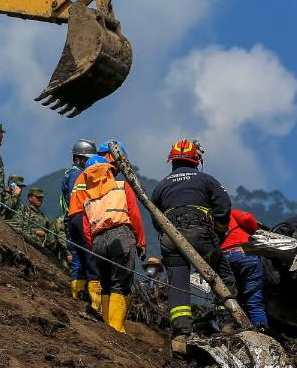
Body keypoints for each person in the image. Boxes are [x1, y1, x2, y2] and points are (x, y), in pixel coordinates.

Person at [148, 139, 239, 355]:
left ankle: (180, 335)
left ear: (172, 162)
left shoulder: (161, 185)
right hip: (200, 232)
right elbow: (224, 207)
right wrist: (218, 231)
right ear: (196, 161)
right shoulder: (206, 180)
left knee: (178, 283)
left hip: (171, 237)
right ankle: (228, 325)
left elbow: (154, 217)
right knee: (221, 275)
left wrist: (168, 234)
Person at [80, 155, 146, 333]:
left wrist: (94, 247)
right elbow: (134, 216)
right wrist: (141, 242)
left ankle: (108, 328)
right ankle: (116, 328)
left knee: (106, 284)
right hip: (121, 235)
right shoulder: (121, 187)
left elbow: (86, 230)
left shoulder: (87, 198)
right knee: (121, 283)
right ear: (109, 170)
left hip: (98, 241)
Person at [62, 139, 101, 308]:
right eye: (87, 159)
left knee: (81, 259)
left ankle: (80, 298)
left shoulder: (71, 173)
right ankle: (90, 302)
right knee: (85, 259)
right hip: (78, 220)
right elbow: (77, 199)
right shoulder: (75, 175)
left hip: (73, 220)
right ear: (78, 159)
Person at [222, 208, 270, 331]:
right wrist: (254, 229)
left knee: (227, 295)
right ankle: (260, 330)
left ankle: (230, 329)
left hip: (222, 259)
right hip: (244, 253)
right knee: (254, 299)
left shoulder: (206, 219)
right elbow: (247, 218)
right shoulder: (230, 212)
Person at [6, 186, 63, 256]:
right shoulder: (26, 211)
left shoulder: (43, 216)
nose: (40, 200)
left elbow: (48, 231)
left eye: (41, 198)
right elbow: (22, 227)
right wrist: (35, 232)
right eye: (38, 197)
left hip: (45, 243)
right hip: (34, 241)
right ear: (30, 198)